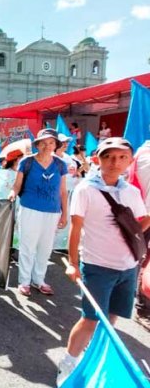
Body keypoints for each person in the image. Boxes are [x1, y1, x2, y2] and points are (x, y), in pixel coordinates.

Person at [57, 137, 150, 385]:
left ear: (129, 162)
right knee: (90, 319)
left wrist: (142, 225)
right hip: (97, 267)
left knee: (111, 319)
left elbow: (140, 223)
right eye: (109, 156)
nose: (115, 162)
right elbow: (75, 230)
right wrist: (72, 263)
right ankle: (68, 363)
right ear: (99, 159)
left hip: (128, 267)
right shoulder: (86, 189)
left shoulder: (131, 192)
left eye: (121, 157)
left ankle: (95, 355)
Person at [8, 129, 68, 297]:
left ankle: (39, 280)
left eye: (51, 142)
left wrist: (64, 214)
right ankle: (24, 281)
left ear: (56, 145)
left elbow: (63, 191)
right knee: (28, 246)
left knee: (45, 247)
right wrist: (12, 194)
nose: (47, 146)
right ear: (38, 144)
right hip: (30, 209)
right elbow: (17, 185)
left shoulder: (60, 164)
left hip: (52, 211)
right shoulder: (26, 162)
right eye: (43, 142)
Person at [126, 140, 150, 331]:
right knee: (142, 260)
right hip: (143, 217)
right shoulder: (145, 157)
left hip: (141, 216)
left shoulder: (141, 153)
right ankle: (143, 308)